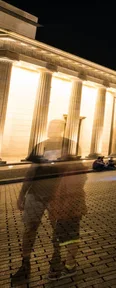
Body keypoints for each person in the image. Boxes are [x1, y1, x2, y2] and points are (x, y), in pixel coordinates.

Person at [11, 120, 73, 284]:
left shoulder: (69, 146)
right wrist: (22, 194)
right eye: (50, 127)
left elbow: (71, 171)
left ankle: (56, 260)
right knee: (29, 228)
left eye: (56, 127)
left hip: (56, 195)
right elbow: (31, 171)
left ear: (62, 129)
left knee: (57, 229)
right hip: (36, 194)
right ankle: (25, 264)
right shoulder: (40, 145)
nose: (52, 130)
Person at [47, 160, 88, 280]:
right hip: (68, 211)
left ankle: (70, 266)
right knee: (68, 237)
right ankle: (69, 263)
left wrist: (61, 212)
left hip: (68, 213)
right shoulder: (69, 174)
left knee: (69, 238)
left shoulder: (72, 175)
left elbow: (72, 196)